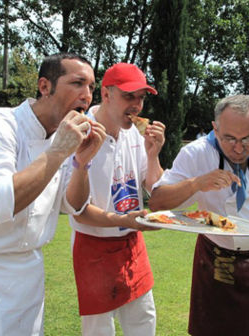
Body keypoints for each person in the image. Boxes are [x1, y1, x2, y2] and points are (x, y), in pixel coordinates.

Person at [0, 53, 106, 335]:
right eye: (77, 83)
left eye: (91, 86)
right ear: (44, 86)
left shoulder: (63, 138)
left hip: (29, 269)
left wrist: (81, 163)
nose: (87, 95)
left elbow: (73, 205)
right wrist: (58, 152)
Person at [149, 95, 249, 336]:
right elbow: (157, 202)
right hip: (217, 257)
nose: (239, 148)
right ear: (215, 128)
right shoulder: (196, 153)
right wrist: (196, 183)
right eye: (229, 138)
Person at [69, 62, 165, 336]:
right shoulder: (80, 133)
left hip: (132, 241)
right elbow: (78, 210)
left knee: (144, 322)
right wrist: (123, 220)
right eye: (129, 96)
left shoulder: (133, 132)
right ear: (107, 94)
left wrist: (153, 154)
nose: (137, 105)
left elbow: (154, 189)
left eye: (141, 97)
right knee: (100, 330)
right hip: (93, 245)